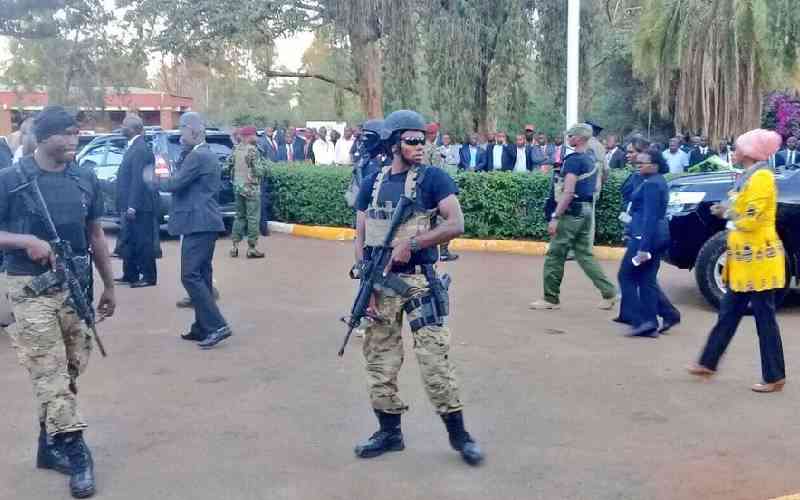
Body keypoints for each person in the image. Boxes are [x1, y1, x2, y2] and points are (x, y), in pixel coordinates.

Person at [352, 109, 483, 466]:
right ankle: (389, 432)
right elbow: (361, 231)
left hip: (420, 282)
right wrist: (366, 280)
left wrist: (416, 242)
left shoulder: (433, 179)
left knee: (434, 360)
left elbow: (456, 223)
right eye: (411, 140)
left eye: (423, 139)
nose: (420, 145)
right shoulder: (373, 182)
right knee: (378, 358)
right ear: (394, 144)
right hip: (380, 284)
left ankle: (460, 436)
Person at [0, 105, 116, 498]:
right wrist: (25, 241)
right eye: (64, 134)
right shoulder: (10, 179)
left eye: (76, 134)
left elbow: (96, 233)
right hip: (28, 289)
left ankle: (47, 447)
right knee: (47, 371)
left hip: (74, 288)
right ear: (43, 137)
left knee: (67, 372)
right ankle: (76, 452)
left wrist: (109, 285)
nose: (72, 141)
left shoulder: (84, 178)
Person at [689, 129, 787, 392]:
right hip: (745, 261)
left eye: (739, 146)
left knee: (763, 319)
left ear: (750, 151)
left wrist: (727, 215)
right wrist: (727, 210)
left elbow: (751, 217)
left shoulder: (761, 178)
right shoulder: (750, 176)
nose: (735, 149)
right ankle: (708, 362)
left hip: (758, 260)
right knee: (729, 313)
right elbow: (743, 208)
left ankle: (775, 376)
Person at [151, 112, 232, 349]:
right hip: (204, 222)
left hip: (199, 223)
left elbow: (174, 184)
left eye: (183, 130)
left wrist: (157, 177)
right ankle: (202, 327)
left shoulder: (198, 156)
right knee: (202, 275)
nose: (180, 135)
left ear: (194, 131)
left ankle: (216, 325)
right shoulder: (202, 154)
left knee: (190, 275)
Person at [530, 123, 618, 311]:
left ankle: (550, 298)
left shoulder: (573, 160)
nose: (569, 138)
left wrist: (555, 216)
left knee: (555, 254)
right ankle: (609, 292)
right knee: (584, 254)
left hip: (572, 212)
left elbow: (568, 192)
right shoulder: (591, 159)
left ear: (578, 138)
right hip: (586, 209)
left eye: (571, 135)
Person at [617, 149, 679, 338]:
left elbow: (650, 217)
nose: (639, 165)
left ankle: (642, 320)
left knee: (626, 277)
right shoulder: (656, 181)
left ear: (655, 165)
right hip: (655, 237)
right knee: (646, 280)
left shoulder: (652, 184)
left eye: (643, 162)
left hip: (645, 238)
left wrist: (643, 248)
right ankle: (654, 320)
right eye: (638, 163)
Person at [117, 115, 158, 288]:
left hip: (140, 206)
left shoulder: (140, 149)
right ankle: (130, 274)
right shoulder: (134, 146)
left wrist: (132, 205)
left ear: (133, 128)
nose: (121, 127)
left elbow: (138, 180)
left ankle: (149, 276)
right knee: (130, 240)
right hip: (131, 204)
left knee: (143, 241)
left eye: (124, 125)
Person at [227, 126, 268, 259]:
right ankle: (252, 248)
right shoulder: (253, 150)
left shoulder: (236, 149)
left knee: (239, 217)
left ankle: (234, 246)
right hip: (251, 189)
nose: (256, 137)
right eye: (254, 135)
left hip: (238, 188)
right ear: (249, 136)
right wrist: (265, 167)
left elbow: (228, 166)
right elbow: (259, 171)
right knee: (253, 218)